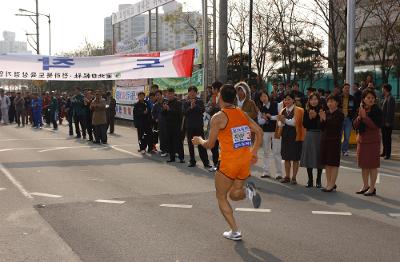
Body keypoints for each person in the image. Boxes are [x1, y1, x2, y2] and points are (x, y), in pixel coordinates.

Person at [192, 84, 263, 241]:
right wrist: (254, 152)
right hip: (244, 161)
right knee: (235, 194)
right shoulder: (242, 113)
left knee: (221, 196)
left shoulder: (218, 117)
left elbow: (210, 144)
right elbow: (259, 131)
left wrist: (199, 140)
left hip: (229, 163)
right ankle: (248, 191)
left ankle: (235, 231)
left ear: (220, 97)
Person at [353, 90, 382, 196]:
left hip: (373, 142)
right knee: (364, 165)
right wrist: (360, 117)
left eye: (372, 98)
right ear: (363, 99)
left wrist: (365, 117)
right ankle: (365, 185)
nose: (370, 100)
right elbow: (355, 126)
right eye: (368, 98)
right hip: (362, 141)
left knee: (372, 166)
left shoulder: (377, 111)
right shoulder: (360, 110)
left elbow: (375, 126)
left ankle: (372, 188)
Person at [277, 93, 306, 184]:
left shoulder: (299, 110)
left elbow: (294, 122)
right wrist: (281, 122)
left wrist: (284, 120)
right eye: (285, 99)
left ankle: (294, 177)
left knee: (295, 158)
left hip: (295, 136)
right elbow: (279, 124)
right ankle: (287, 176)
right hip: (285, 136)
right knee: (286, 157)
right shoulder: (282, 110)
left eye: (289, 99)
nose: (287, 101)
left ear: (293, 100)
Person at [255, 90, 283, 179]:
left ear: (267, 96)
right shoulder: (260, 108)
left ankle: (279, 173)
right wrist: (265, 119)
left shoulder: (277, 104)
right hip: (266, 131)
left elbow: (280, 117)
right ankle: (266, 171)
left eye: (264, 96)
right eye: (261, 97)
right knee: (266, 152)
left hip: (276, 130)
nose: (263, 98)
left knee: (276, 152)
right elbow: (259, 121)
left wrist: (270, 117)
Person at [320, 95, 344, 192]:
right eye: (328, 101)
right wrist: (321, 120)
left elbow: (335, 125)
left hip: (334, 141)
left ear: (337, 102)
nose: (329, 103)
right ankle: (329, 183)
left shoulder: (340, 114)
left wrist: (325, 119)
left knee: (333, 163)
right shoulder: (326, 113)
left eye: (332, 101)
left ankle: (332, 183)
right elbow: (322, 127)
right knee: (327, 163)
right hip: (325, 140)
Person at [183, 86, 212, 168]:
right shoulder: (185, 102)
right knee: (190, 144)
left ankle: (206, 162)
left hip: (198, 126)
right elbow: (184, 113)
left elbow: (202, 110)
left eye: (193, 92)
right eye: (190, 92)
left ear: (196, 93)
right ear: (188, 93)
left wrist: (195, 106)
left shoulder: (199, 101)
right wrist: (190, 107)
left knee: (201, 144)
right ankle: (192, 161)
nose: (192, 93)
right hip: (189, 126)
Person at [300, 92, 323, 188]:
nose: (314, 101)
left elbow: (322, 125)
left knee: (319, 158)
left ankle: (319, 180)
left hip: (319, 135)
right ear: (309, 101)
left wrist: (318, 117)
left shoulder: (322, 110)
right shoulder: (306, 111)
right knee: (309, 157)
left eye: (315, 99)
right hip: (309, 134)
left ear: (318, 100)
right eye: (312, 99)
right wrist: (310, 117)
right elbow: (305, 125)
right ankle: (310, 180)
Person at [163, 88, 185, 163]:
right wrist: (164, 109)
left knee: (178, 142)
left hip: (176, 125)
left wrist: (169, 109)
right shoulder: (166, 102)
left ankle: (181, 157)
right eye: (168, 94)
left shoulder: (178, 103)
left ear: (173, 94)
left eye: (170, 93)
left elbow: (179, 114)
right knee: (170, 141)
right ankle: (172, 157)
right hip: (168, 125)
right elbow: (163, 114)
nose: (169, 95)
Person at [206, 81, 223, 172]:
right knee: (214, 146)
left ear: (216, 89)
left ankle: (222, 165)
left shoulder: (224, 98)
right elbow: (207, 109)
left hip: (223, 127)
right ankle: (216, 164)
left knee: (223, 147)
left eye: (212, 88)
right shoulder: (211, 98)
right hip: (213, 127)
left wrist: (216, 106)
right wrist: (212, 105)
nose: (211, 90)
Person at [339, 83, 356, 156]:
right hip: (340, 119)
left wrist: (352, 117)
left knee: (347, 135)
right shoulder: (339, 97)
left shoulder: (352, 98)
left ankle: (345, 150)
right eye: (345, 88)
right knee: (339, 135)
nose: (347, 89)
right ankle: (338, 149)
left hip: (348, 119)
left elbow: (355, 108)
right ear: (342, 89)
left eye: (348, 88)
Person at [381, 84, 396, 160]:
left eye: (382, 88)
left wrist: (388, 121)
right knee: (384, 138)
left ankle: (388, 154)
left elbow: (390, 111)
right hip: (383, 123)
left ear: (385, 89)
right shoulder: (386, 97)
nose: (382, 90)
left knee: (387, 138)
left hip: (387, 123)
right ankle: (384, 152)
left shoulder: (391, 98)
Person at [152, 90, 168, 156]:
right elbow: (153, 113)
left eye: (159, 95)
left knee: (169, 136)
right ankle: (163, 150)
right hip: (160, 123)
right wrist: (156, 118)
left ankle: (170, 150)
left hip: (168, 122)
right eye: (156, 95)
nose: (158, 96)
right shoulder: (155, 105)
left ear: (161, 95)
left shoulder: (167, 102)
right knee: (162, 137)